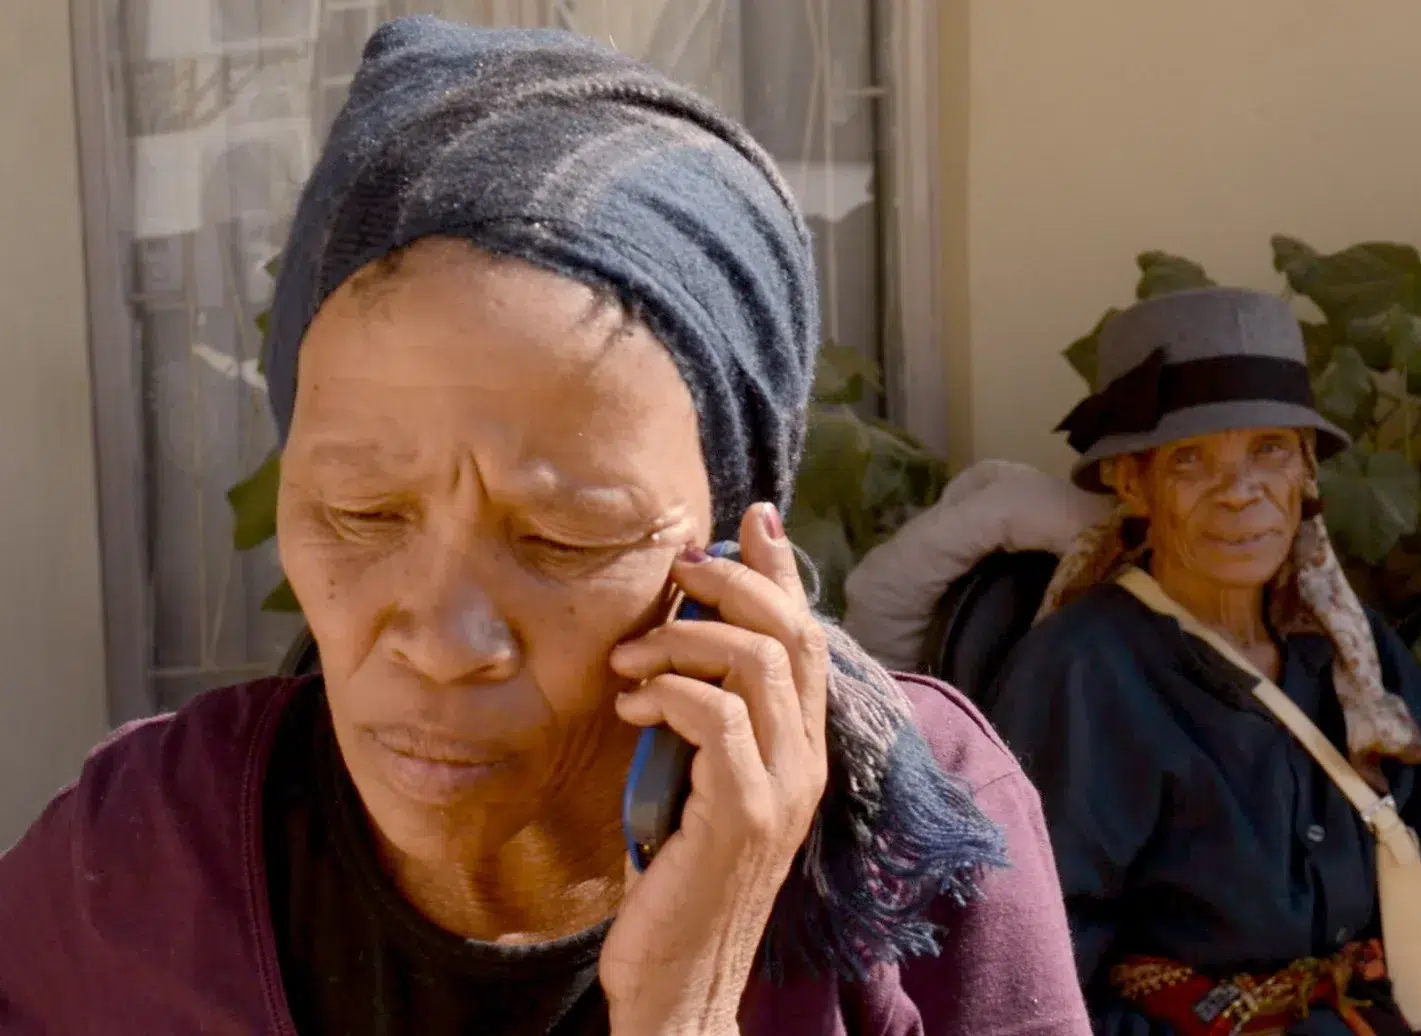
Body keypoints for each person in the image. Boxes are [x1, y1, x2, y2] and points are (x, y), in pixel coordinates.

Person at [0, 17, 1089, 1035]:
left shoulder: (921, 857)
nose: (439, 637)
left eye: (565, 537)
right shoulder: (139, 859)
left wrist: (689, 1010)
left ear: (727, 547)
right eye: (361, 512)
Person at [983, 287, 1421, 1035]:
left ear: (1306, 474)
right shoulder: (1082, 674)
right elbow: (1036, 963)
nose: (1241, 494)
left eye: (1269, 450)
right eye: (1192, 461)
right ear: (1131, 484)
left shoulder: (1353, 653)